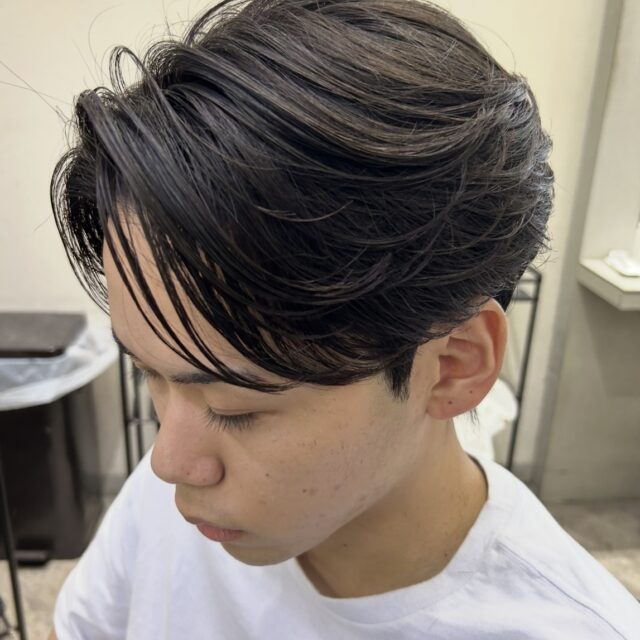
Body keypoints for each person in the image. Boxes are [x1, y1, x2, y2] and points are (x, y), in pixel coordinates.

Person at [48, 0, 640, 637]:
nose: (168, 462)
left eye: (235, 408)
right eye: (150, 375)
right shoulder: (170, 496)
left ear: (454, 366)